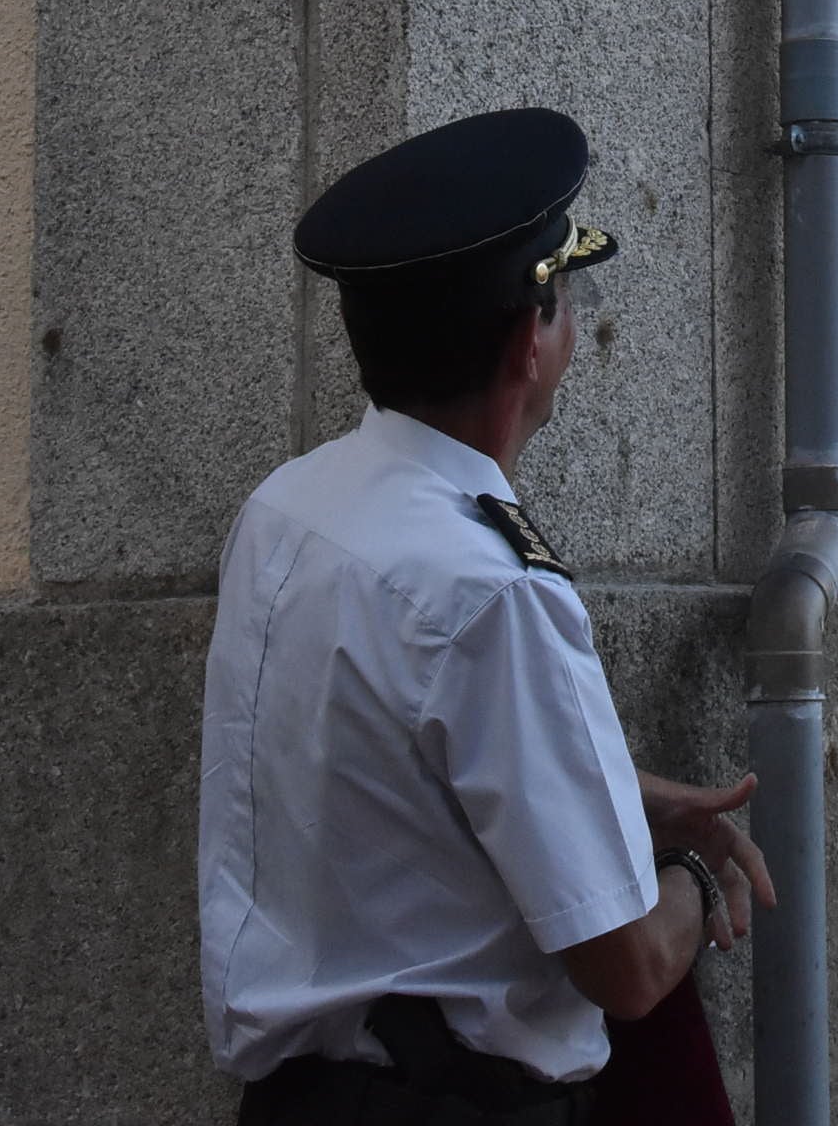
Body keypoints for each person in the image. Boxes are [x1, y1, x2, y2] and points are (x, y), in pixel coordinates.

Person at [199, 106, 774, 1125]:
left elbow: (400, 756)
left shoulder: (288, 508)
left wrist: (618, 794)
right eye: (566, 300)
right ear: (529, 338)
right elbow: (630, 966)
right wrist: (681, 872)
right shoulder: (493, 589)